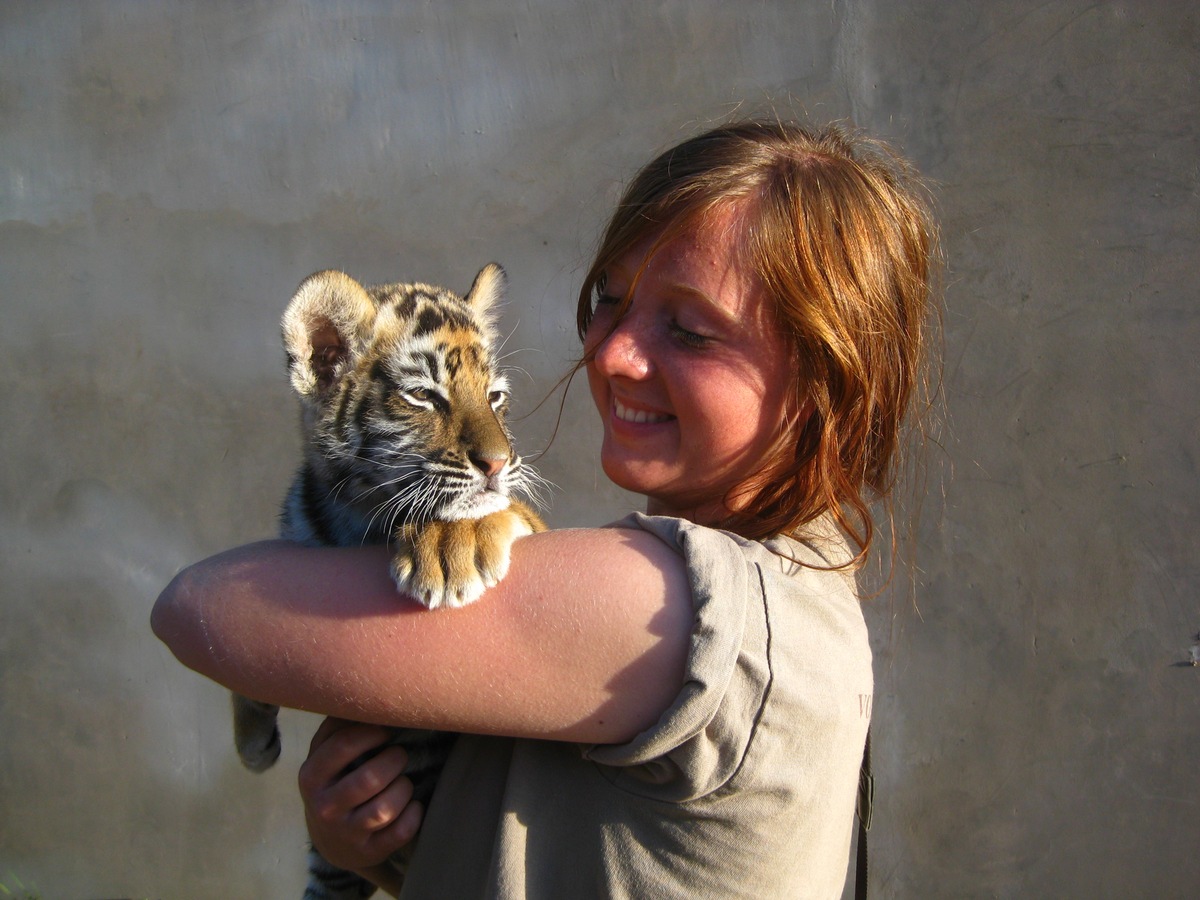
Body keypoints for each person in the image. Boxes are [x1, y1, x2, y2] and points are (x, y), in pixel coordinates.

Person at [152, 119, 939, 899]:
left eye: (691, 330)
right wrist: (370, 853)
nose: (613, 350)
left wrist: (479, 527)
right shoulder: (800, 583)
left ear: (824, 384)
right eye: (610, 298)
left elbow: (197, 609)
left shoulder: (671, 613)